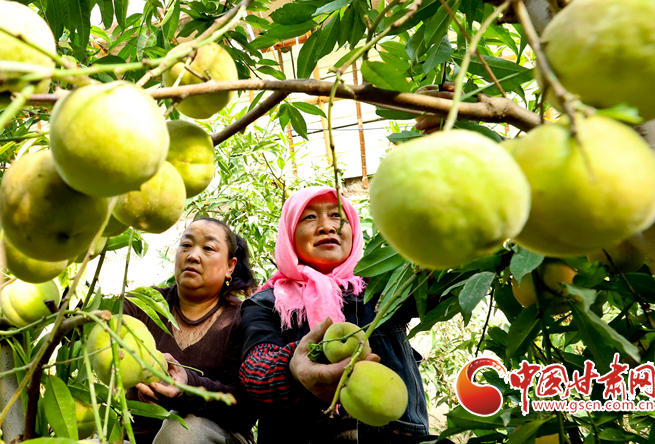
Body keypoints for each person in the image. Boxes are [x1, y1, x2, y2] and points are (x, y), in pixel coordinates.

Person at [238, 187, 433, 443]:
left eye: (337, 216)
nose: (327, 227)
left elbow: (440, 292)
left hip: (398, 437)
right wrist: (294, 367)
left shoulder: (385, 285)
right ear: (289, 233)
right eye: (309, 217)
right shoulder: (266, 303)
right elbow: (255, 370)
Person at [122, 217, 258, 444]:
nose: (193, 255)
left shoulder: (244, 318)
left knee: (181, 430)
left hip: (217, 436)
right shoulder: (145, 304)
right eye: (186, 245)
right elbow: (99, 321)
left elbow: (245, 409)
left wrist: (187, 387)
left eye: (208, 248)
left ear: (230, 266)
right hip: (135, 438)